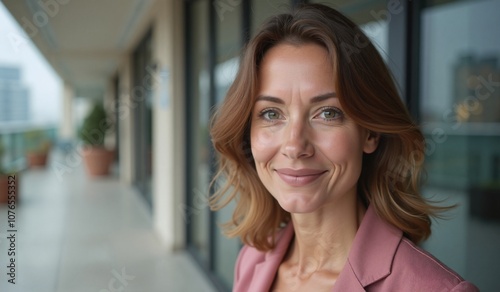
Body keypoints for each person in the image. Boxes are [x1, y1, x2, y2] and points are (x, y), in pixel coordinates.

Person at [209, 4, 479, 292]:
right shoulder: (251, 260)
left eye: (328, 113)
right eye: (272, 114)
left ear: (370, 133)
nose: (294, 146)